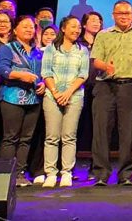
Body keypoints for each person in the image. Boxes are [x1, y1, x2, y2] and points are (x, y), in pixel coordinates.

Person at [89, 0, 132, 186]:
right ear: (113, 15)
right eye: (120, 13)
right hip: (105, 86)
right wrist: (106, 66)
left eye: (127, 13)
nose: (124, 16)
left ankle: (126, 174)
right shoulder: (103, 35)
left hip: (131, 86)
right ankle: (101, 173)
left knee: (129, 132)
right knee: (101, 131)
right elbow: (95, 60)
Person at [40, 16, 89, 187]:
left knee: (69, 136)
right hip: (52, 96)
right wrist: (55, 92)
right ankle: (51, 172)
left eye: (78, 27)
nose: (76, 30)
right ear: (63, 28)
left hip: (74, 96)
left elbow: (83, 74)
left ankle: (66, 172)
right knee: (52, 136)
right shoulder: (51, 49)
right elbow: (46, 72)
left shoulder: (82, 50)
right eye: (73, 27)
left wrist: (68, 92)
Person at [0, 16, 44, 187]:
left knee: (26, 138)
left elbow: (43, 73)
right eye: (24, 27)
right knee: (10, 137)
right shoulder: (8, 48)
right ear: (15, 30)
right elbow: (1, 69)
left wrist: (43, 84)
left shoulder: (38, 52)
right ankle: (6, 174)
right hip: (12, 97)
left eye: (31, 27)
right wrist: (20, 75)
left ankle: (21, 173)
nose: (29, 30)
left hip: (33, 99)